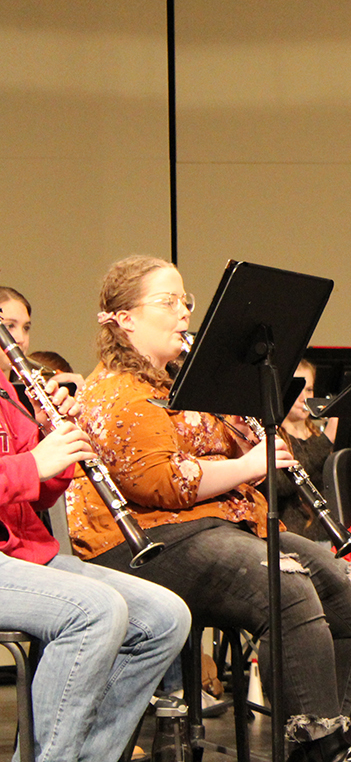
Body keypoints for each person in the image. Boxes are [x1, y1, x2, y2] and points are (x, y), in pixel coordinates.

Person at [70, 256, 351, 762]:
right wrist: (245, 465)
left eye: (185, 300)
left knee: (350, 589)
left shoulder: (184, 384)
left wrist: (253, 450)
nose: (184, 313)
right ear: (124, 319)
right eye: (167, 302)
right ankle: (326, 749)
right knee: (286, 587)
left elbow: (227, 460)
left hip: (216, 527)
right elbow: (162, 482)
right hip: (141, 544)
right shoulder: (115, 391)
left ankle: (315, 741)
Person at [0, 295, 190, 762]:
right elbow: (26, 473)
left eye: (24, 327)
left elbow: (40, 494)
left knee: (166, 618)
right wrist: (31, 464)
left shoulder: (8, 397)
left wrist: (52, 438)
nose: (18, 339)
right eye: (7, 325)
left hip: (28, 555)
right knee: (96, 610)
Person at [273, 358, 339, 543]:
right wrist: (326, 440)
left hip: (327, 537)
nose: (304, 397)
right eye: (298, 388)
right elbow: (282, 483)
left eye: (309, 389)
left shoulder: (317, 435)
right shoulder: (271, 436)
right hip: (292, 539)